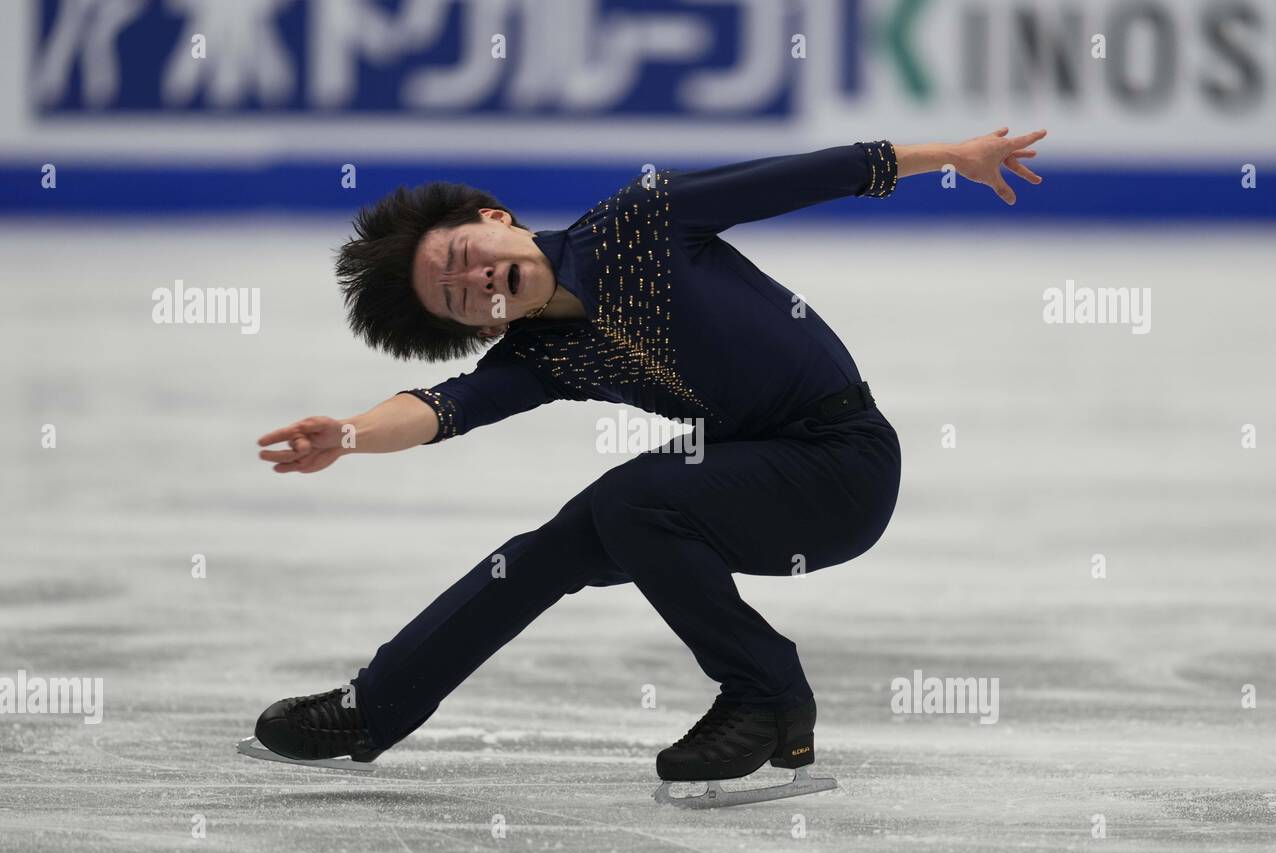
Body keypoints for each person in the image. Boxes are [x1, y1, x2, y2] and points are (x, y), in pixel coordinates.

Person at [247, 127, 1047, 806]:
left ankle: (766, 691)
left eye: (464, 253)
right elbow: (442, 407)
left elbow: (808, 175)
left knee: (631, 504)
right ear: (481, 329)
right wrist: (350, 432)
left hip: (844, 463)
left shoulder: (639, 220)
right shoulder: (543, 356)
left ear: (495, 218)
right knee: (551, 550)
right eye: (459, 298)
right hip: (755, 471)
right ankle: (372, 708)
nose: (478, 279)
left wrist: (956, 154)